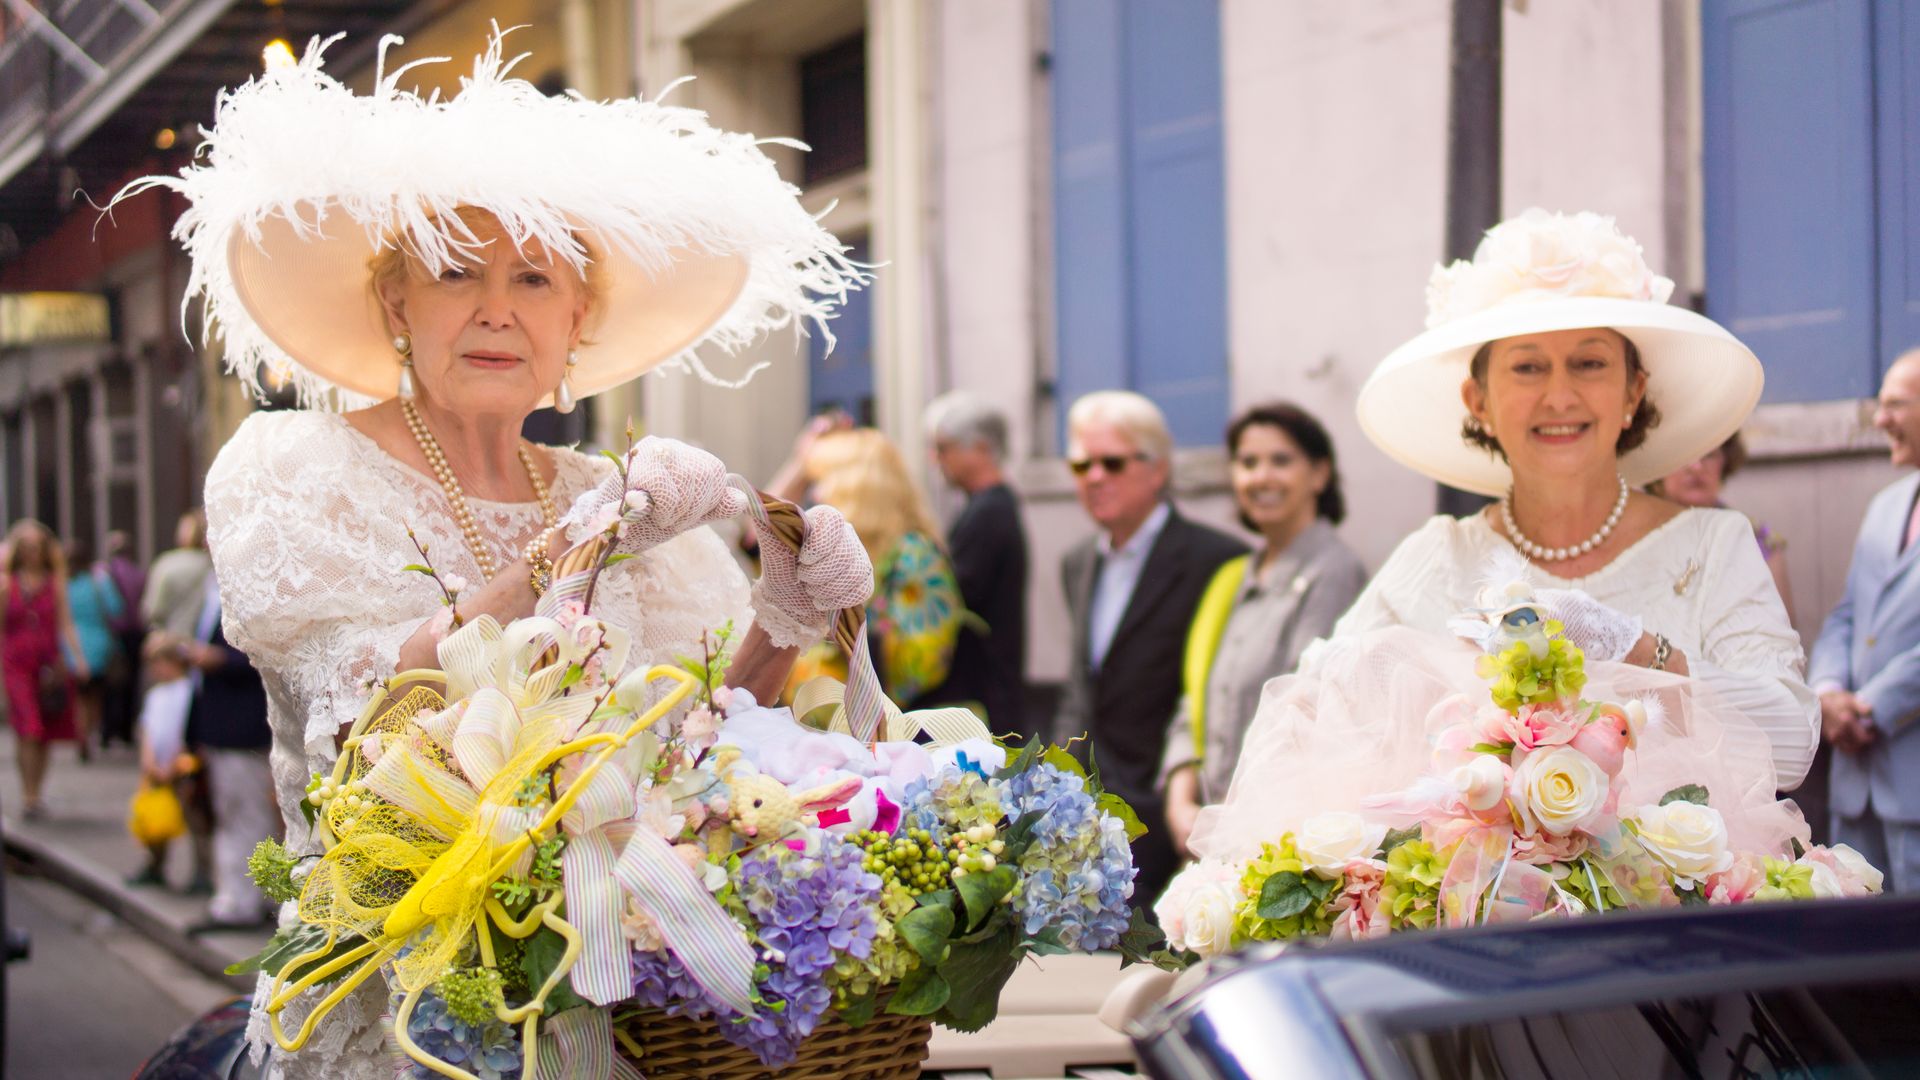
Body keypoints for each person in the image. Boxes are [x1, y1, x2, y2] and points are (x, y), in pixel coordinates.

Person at [121, 32, 870, 1078]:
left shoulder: (615, 497)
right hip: (389, 1019)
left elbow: (705, 750)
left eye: (533, 279)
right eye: (453, 272)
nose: (495, 309)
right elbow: (381, 721)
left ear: (578, 324)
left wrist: (784, 623)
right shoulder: (297, 468)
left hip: (621, 1023)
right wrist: (576, 550)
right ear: (396, 305)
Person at [1191, 210, 1818, 868]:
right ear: (1478, 400)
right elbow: (1309, 720)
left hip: (1668, 931)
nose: (1559, 395)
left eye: (1589, 363)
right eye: (1526, 368)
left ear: (1634, 391)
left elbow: (1791, 743)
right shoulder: (1434, 558)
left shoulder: (1714, 543)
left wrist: (1636, 649)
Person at [1055, 390, 1247, 908]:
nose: (1094, 477)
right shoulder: (1076, 563)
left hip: (1171, 820)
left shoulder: (1219, 560)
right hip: (1089, 821)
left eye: (1112, 462)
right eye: (1081, 464)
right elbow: (1082, 688)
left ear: (1157, 469)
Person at [1160, 403, 1367, 856]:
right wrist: (1180, 801)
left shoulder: (1333, 571)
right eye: (1248, 462)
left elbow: (1305, 708)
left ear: (1319, 474)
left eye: (1281, 460)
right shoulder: (1233, 577)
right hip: (1210, 832)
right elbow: (1194, 701)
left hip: (1281, 837)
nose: (1261, 477)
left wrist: (1234, 829)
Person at [1810, 347, 1920, 893]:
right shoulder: (1884, 505)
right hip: (1856, 793)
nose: (1880, 421)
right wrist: (1826, 695)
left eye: (1896, 405)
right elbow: (1848, 615)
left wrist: (1872, 711)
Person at [776, 427, 966, 709]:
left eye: (820, 480)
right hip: (826, 728)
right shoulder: (830, 553)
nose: (815, 493)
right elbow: (755, 538)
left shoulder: (912, 553)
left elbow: (919, 665)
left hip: (886, 734)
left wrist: (839, 634)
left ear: (854, 487)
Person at [924, 392, 1031, 739]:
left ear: (981, 448)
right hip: (990, 690)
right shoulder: (990, 507)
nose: (937, 458)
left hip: (984, 697)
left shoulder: (989, 513)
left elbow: (953, 597)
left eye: (944, 447)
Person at [182, 572, 277, 930]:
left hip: (243, 727)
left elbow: (263, 656)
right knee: (231, 811)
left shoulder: (252, 591)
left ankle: (243, 901)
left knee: (246, 812)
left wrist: (217, 659)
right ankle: (236, 896)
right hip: (224, 726)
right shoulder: (216, 587)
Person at [1653, 432, 1795, 620]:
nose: (1696, 467)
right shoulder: (1632, 538)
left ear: (1725, 461)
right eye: (1683, 454)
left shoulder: (1757, 542)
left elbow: (1782, 636)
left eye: (1709, 454)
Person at [1, 520, 88, 817]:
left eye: (36, 548)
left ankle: (36, 792)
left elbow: (65, 622)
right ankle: (28, 795)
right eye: (25, 548)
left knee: (45, 729)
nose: (31, 554)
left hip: (48, 665)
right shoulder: (6, 584)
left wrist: (77, 658)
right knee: (29, 727)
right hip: (15, 664)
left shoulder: (55, 582)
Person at [128, 633, 201, 888]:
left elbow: (186, 730)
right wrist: (148, 761)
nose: (154, 670)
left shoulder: (188, 691)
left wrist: (173, 764)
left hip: (179, 766)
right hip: (155, 767)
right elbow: (146, 728)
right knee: (153, 817)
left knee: (193, 817)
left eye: (158, 663)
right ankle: (154, 863)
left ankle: (202, 870)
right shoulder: (155, 694)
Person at [63, 537, 127, 761]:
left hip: (69, 645)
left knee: (79, 695)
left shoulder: (62, 584)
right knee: (96, 694)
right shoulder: (99, 581)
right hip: (98, 643)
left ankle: (81, 733)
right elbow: (116, 608)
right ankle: (89, 732)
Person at [100, 530, 147, 747]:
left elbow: (109, 608)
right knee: (131, 682)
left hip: (113, 634)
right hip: (135, 633)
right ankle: (127, 729)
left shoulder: (105, 573)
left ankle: (108, 730)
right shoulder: (138, 573)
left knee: (110, 683)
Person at [142, 510, 211, 640]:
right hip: (206, 644)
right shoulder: (213, 566)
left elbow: (152, 609)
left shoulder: (167, 564)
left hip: (171, 641)